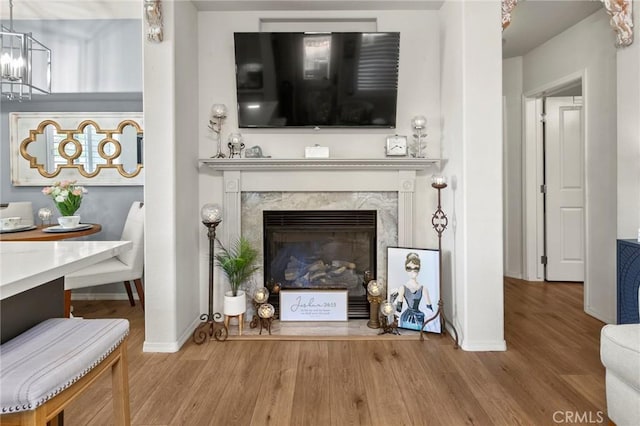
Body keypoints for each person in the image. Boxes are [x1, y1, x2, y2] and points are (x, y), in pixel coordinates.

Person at [390, 252, 433, 330]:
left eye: (415, 269)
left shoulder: (423, 288)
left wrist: (423, 314)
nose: (412, 272)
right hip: (406, 318)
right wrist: (393, 298)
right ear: (406, 269)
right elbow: (399, 309)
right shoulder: (403, 287)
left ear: (419, 269)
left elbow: (430, 310)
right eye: (409, 269)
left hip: (419, 317)